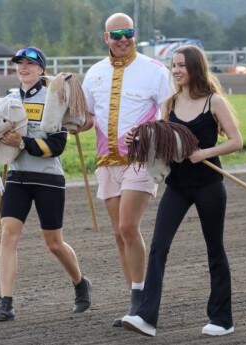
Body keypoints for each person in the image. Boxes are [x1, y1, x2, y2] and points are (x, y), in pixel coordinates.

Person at [121, 45, 243, 337]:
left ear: (195, 68)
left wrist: (205, 153)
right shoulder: (170, 102)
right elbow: (164, 141)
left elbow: (237, 141)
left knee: (214, 249)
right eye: (173, 65)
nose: (175, 70)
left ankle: (222, 320)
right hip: (178, 186)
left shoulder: (214, 102)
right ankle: (146, 317)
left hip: (209, 186)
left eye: (181, 66)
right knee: (159, 247)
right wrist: (137, 137)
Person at [0, 47, 91, 322]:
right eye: (20, 63)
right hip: (17, 177)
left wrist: (22, 143)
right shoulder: (9, 99)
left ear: (41, 70)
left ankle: (80, 282)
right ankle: (5, 303)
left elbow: (56, 146)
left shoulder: (55, 98)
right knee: (9, 234)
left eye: (30, 63)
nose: (24, 67)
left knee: (54, 243)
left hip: (48, 179)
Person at [79, 13, 171, 327]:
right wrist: (73, 123)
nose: (122, 39)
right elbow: (88, 118)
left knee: (129, 227)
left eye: (128, 33)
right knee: (119, 234)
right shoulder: (93, 74)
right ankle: (135, 298)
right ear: (105, 38)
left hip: (142, 160)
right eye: (116, 34)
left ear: (135, 34)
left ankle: (141, 303)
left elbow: (170, 117)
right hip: (107, 162)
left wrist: (151, 133)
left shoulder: (156, 71)